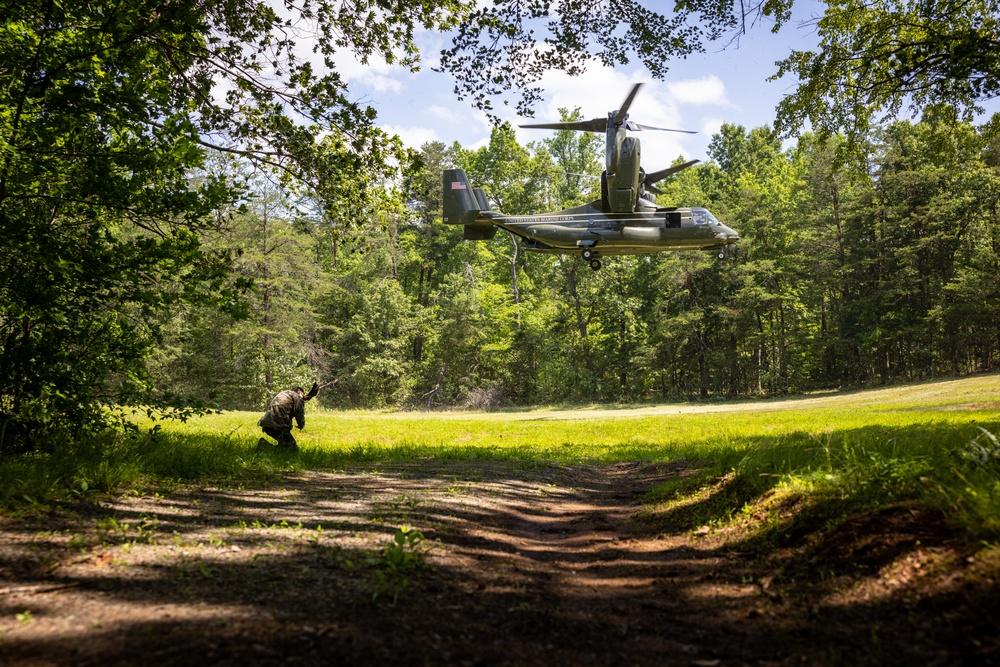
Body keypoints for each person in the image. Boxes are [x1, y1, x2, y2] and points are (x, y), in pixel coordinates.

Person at [257, 386, 306, 450]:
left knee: (284, 445)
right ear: (299, 392)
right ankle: (263, 445)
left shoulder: (285, 393)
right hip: (278, 427)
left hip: (267, 424)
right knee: (293, 449)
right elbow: (299, 414)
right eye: (303, 394)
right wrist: (301, 425)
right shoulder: (297, 396)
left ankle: (264, 445)